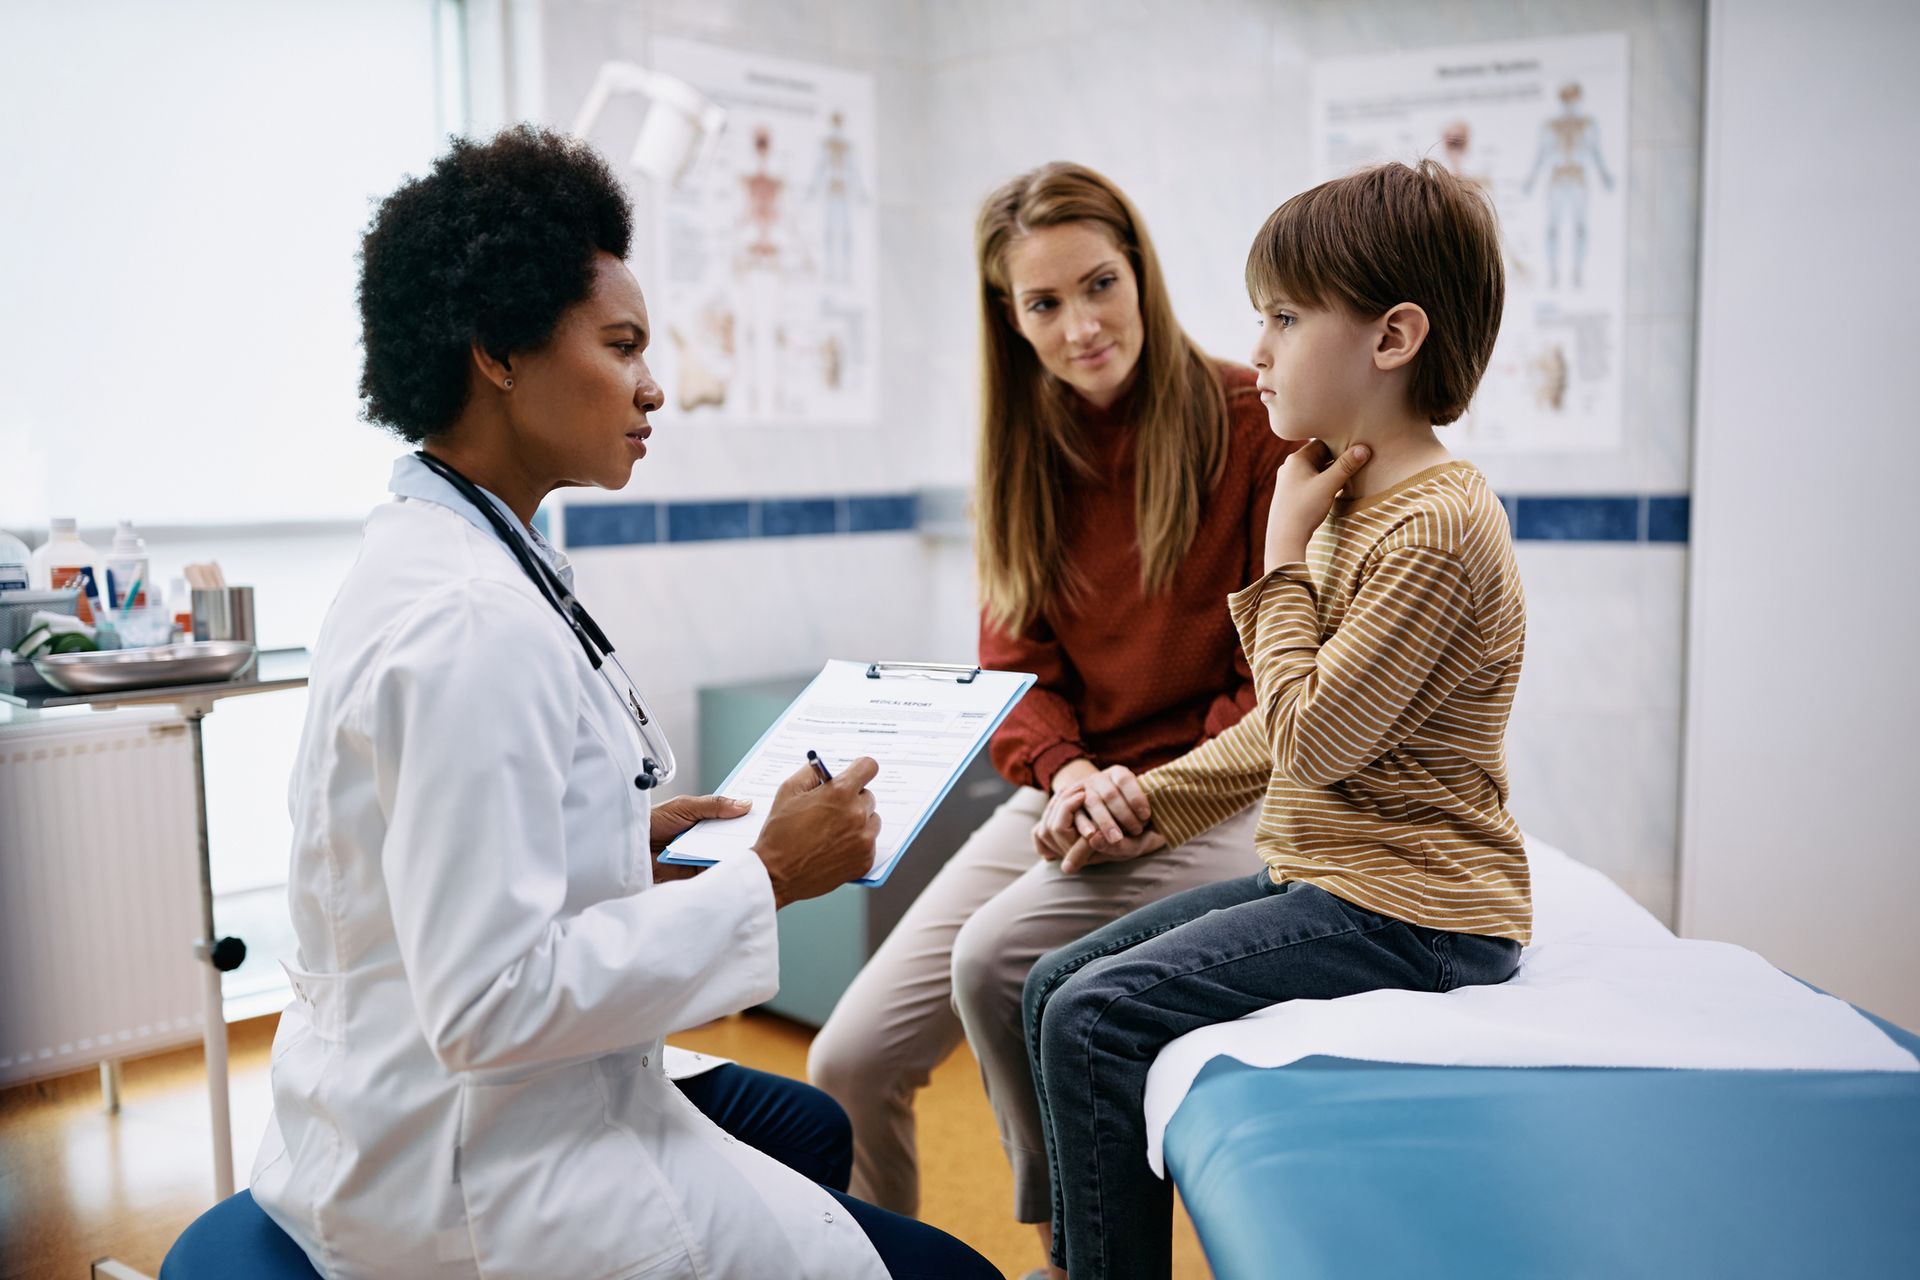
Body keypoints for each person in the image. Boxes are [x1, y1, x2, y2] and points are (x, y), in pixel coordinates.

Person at [249, 125, 996, 1280]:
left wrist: (613, 841)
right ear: (498, 349)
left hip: (414, 1103)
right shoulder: (467, 622)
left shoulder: (446, 553)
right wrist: (771, 875)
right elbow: (490, 1001)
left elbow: (441, 866)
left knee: (810, 1141)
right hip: (474, 1182)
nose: (655, 386)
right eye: (623, 344)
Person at [1024, 159, 1532, 1280]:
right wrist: (1139, 801)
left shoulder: (1434, 527)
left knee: (1097, 1017)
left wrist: (1278, 558)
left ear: (1392, 337)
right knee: (1053, 982)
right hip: (1334, 879)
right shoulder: (1356, 500)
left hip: (1418, 912)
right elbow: (1281, 737)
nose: (1255, 348)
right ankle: (1080, 1256)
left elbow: (1308, 738)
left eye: (1285, 316)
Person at [808, 161, 1298, 1263]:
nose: (1081, 324)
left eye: (1099, 284)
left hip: (1220, 789)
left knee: (993, 958)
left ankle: (1072, 1243)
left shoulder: (1249, 423)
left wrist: (1151, 787)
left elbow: (1276, 672)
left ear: (1142, 274)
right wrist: (1072, 774)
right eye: (1044, 302)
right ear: (1010, 318)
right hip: (1081, 791)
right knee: (847, 1061)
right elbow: (1016, 671)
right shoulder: (1023, 457)